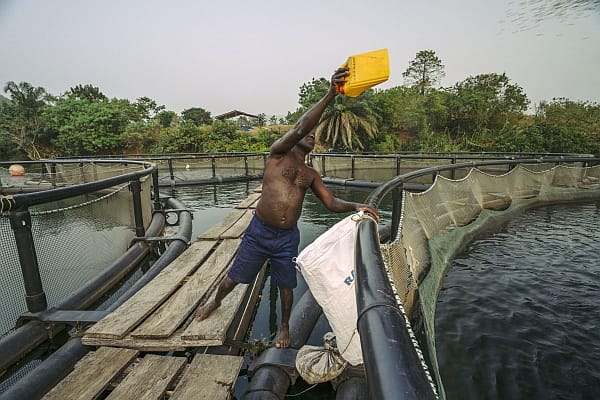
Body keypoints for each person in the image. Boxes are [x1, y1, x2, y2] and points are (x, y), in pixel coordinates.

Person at [195, 67, 380, 348]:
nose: (311, 135)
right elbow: (300, 127)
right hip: (259, 231)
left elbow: (330, 203)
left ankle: (284, 327)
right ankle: (215, 301)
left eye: (315, 135)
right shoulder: (278, 154)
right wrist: (331, 93)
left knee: (286, 285)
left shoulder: (311, 174)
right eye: (308, 132)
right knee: (235, 277)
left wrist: (357, 205)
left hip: (286, 237)